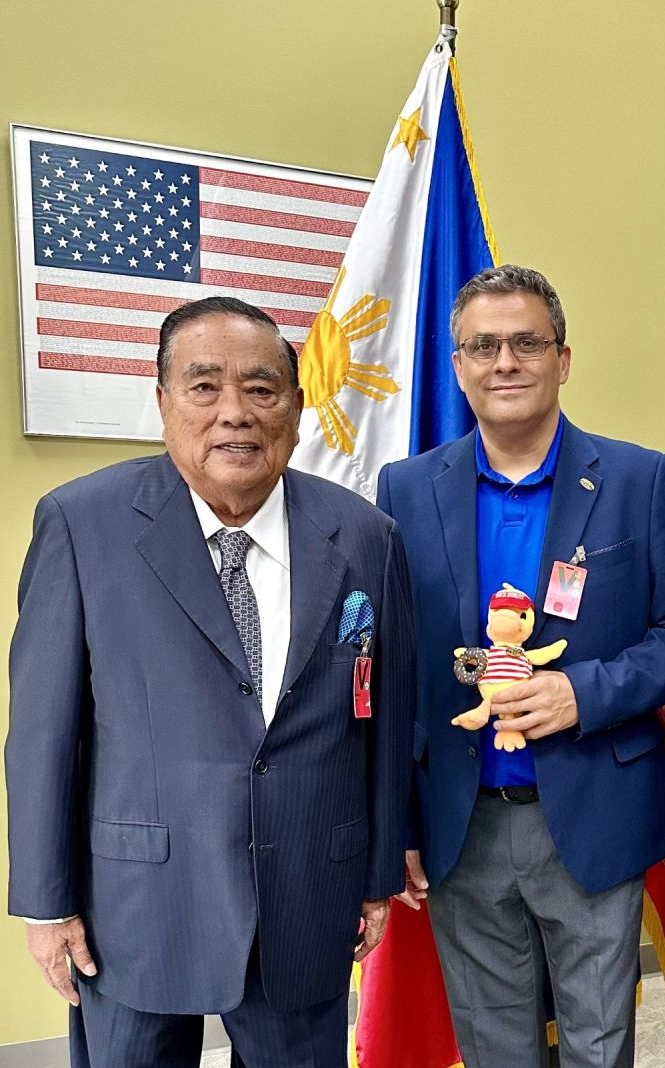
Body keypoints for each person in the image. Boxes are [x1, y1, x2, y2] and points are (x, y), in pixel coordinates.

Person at [5, 297, 415, 1068]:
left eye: (262, 389)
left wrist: (376, 872)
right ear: (162, 403)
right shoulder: (82, 524)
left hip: (305, 891)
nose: (235, 413)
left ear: (295, 409)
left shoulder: (365, 536)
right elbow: (43, 734)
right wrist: (45, 901)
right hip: (134, 902)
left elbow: (386, 721)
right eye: (203, 387)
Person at [376, 264, 665, 1068]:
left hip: (596, 805)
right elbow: (395, 663)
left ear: (563, 359)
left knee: (599, 1042)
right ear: (458, 366)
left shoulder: (637, 477)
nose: (505, 362)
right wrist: (398, 825)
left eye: (527, 343)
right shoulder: (405, 488)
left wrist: (581, 692)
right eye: (483, 346)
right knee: (494, 1047)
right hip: (461, 817)